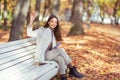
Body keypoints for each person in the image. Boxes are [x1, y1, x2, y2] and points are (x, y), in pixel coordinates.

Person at [27, 12, 84, 80]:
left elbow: (50, 47)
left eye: (55, 22)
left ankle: (63, 77)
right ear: (48, 22)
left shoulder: (53, 33)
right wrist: (31, 21)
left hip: (49, 54)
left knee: (60, 58)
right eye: (52, 21)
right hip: (43, 56)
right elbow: (30, 33)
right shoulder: (42, 30)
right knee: (61, 50)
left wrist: (55, 47)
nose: (54, 23)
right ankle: (71, 69)